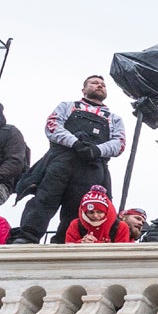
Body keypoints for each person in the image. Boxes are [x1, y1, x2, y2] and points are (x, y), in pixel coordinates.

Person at [12, 75, 128, 244]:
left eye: (103, 85)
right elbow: (52, 126)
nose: (99, 86)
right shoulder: (67, 106)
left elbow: (120, 143)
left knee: (78, 207)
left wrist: (97, 150)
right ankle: (28, 236)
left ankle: (64, 240)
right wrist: (75, 143)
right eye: (94, 83)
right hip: (61, 161)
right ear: (84, 89)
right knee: (44, 198)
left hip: (92, 167)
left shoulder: (114, 118)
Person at [65, 186, 135, 244]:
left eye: (99, 212)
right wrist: (82, 243)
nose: (95, 215)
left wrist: (95, 243)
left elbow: (121, 253)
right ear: (84, 213)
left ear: (107, 212)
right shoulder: (76, 225)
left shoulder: (120, 227)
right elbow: (68, 250)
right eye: (91, 212)